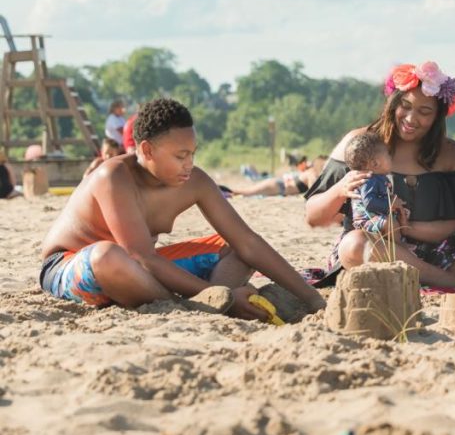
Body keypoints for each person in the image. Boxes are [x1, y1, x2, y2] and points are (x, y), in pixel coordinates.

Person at [37, 98, 325, 317]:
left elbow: (248, 242)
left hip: (139, 275)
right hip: (74, 269)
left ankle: (212, 303)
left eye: (193, 154)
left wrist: (312, 299)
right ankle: (198, 306)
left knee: (237, 249)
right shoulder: (112, 177)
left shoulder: (195, 181)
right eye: (180, 156)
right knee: (108, 255)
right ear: (147, 150)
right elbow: (141, 257)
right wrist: (211, 293)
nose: (189, 164)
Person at [304, 61, 455, 289]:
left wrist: (405, 229)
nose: (411, 119)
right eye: (405, 106)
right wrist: (340, 188)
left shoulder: (452, 153)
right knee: (354, 245)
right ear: (392, 104)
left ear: (437, 117)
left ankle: (438, 277)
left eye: (424, 112)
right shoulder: (359, 143)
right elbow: (313, 216)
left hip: (445, 257)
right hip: (380, 250)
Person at [343, 131, 403, 236]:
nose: (391, 157)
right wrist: (391, 204)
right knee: (390, 223)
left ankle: (397, 243)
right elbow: (370, 203)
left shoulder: (379, 178)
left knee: (399, 216)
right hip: (366, 221)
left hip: (376, 218)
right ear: (375, 163)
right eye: (388, 154)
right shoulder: (369, 180)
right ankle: (398, 246)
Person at [231, 156, 325, 198]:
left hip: (279, 186)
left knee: (247, 192)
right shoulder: (311, 174)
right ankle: (224, 192)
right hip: (279, 187)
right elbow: (314, 192)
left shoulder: (310, 173)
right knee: (246, 192)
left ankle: (225, 192)